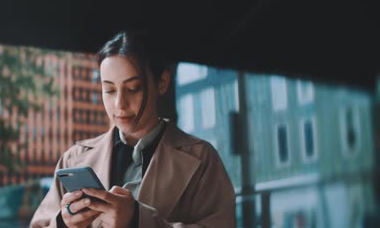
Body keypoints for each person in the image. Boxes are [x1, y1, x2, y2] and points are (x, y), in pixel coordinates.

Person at [30, 31, 236, 227]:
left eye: (133, 88)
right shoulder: (73, 158)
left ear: (162, 83)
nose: (119, 103)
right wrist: (64, 224)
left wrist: (138, 221)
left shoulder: (202, 159)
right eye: (109, 90)